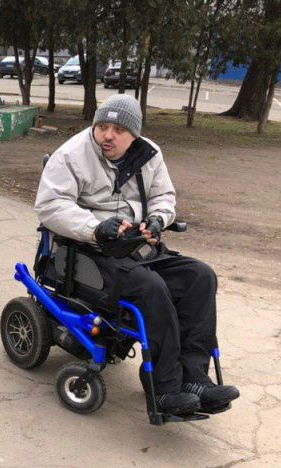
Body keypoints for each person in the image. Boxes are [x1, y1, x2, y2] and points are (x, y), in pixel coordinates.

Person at [34, 94, 239, 416]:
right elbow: (49, 207)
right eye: (102, 127)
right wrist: (96, 227)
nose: (108, 136)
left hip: (140, 248)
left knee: (200, 277)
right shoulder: (71, 155)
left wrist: (158, 219)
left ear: (134, 135)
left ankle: (194, 380)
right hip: (89, 252)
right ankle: (165, 389)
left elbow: (164, 196)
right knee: (151, 289)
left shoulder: (149, 154)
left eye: (118, 130)